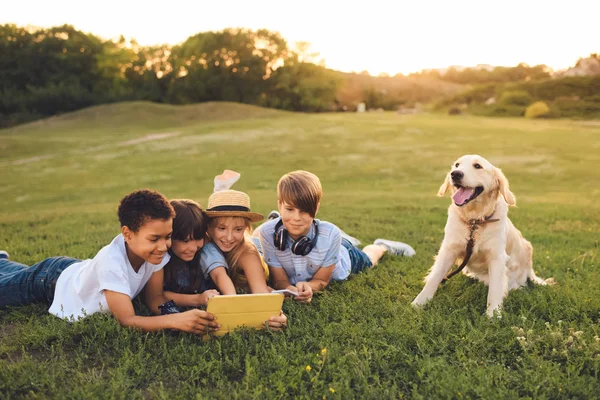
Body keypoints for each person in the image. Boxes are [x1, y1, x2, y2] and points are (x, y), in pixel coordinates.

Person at [0, 189, 219, 334]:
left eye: (168, 236)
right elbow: (128, 320)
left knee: (13, 275)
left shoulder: (154, 254)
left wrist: (186, 311)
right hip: (51, 281)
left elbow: (156, 299)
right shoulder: (112, 262)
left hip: (73, 269)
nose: (164, 246)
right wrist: (174, 321)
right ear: (128, 233)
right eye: (154, 238)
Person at [258, 170, 416, 303]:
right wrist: (291, 290)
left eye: (304, 210)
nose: (297, 217)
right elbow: (279, 281)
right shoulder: (267, 233)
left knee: (369, 260)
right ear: (279, 205)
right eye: (290, 209)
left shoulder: (330, 235)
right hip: (330, 240)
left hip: (342, 256)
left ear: (316, 208)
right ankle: (346, 238)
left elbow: (322, 280)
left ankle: (382, 246)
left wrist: (310, 288)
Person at [200, 170, 271, 295]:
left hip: (257, 246)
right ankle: (220, 190)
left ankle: (273, 219)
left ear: (245, 228)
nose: (229, 237)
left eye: (238, 229)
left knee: (263, 233)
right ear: (208, 228)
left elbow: (261, 293)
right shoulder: (202, 241)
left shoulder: (247, 253)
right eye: (221, 228)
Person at [156, 199, 220, 308]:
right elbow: (160, 295)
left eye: (198, 238)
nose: (193, 248)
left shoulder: (205, 251)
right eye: (185, 241)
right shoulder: (160, 259)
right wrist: (198, 299)